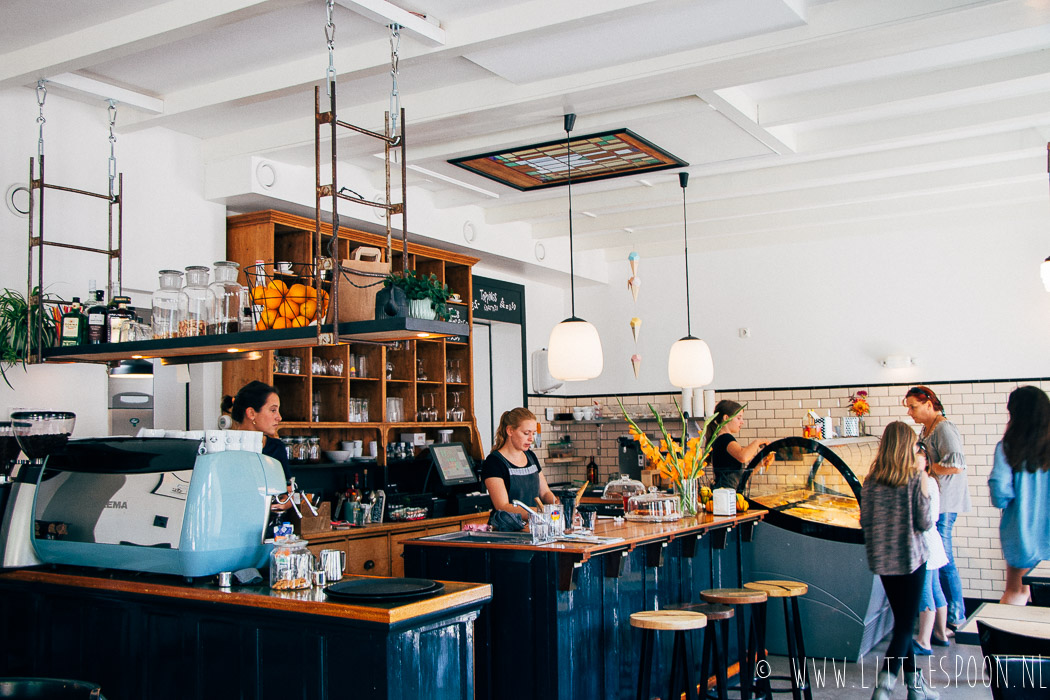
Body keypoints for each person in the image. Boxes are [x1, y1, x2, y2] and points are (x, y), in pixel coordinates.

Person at [860, 421, 937, 700]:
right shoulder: (916, 478)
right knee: (905, 626)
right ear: (908, 446)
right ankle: (885, 685)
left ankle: (916, 688)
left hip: (883, 562)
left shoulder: (870, 481)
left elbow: (864, 522)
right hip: (912, 560)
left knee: (901, 621)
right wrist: (925, 489)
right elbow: (925, 522)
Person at [904, 385, 970, 629]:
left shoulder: (944, 427)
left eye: (913, 406)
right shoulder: (927, 428)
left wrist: (930, 469)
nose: (910, 412)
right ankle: (942, 621)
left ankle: (956, 616)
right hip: (935, 503)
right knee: (939, 559)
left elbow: (956, 464)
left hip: (944, 503)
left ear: (928, 404)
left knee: (945, 560)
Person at [988, 385, 1050, 605]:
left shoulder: (1007, 447)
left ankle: (1008, 641)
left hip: (1023, 533)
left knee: (1017, 592)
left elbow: (1000, 494)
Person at [482, 407, 556, 519]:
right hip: (507, 531)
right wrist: (540, 512)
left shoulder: (531, 456)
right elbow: (503, 506)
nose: (531, 439)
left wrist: (558, 506)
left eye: (533, 433)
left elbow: (545, 493)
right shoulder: (494, 462)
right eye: (526, 433)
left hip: (533, 526)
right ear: (510, 431)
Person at [913, 442, 951, 655]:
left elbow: (924, 517)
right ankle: (941, 634)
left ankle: (923, 641)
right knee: (936, 588)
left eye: (919, 458)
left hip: (925, 541)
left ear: (926, 461)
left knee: (925, 590)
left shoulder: (923, 481)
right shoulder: (932, 481)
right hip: (933, 540)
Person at [221, 380, 290, 481]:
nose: (279, 417)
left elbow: (286, 491)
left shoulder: (277, 447)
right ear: (251, 413)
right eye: (273, 410)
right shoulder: (225, 447)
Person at [705, 400, 767, 491]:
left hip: (727, 494)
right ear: (726, 418)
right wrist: (757, 442)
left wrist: (760, 464)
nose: (742, 422)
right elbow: (743, 456)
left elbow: (741, 476)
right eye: (739, 418)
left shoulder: (722, 439)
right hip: (727, 495)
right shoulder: (725, 438)